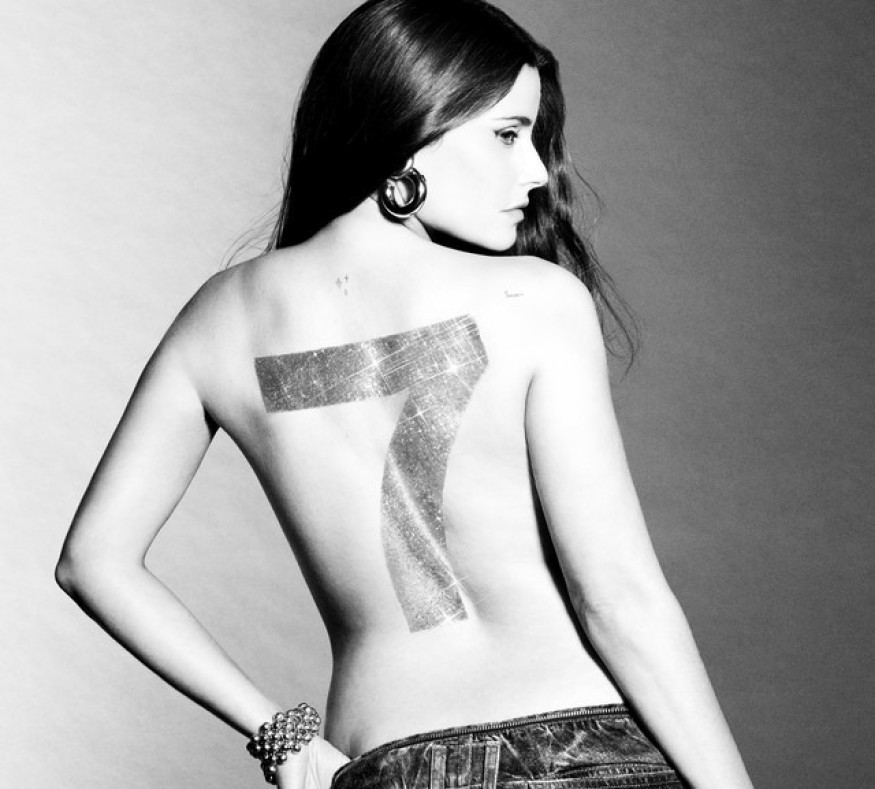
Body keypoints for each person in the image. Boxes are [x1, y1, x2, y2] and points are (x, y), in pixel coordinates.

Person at [56, 1, 755, 787]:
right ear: (409, 127)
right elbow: (619, 597)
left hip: (382, 762)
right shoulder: (531, 300)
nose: (534, 171)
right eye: (506, 134)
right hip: (577, 750)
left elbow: (94, 560)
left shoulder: (220, 322)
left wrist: (281, 735)